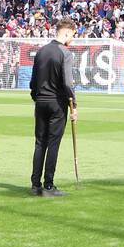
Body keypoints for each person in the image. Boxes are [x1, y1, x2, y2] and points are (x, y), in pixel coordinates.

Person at [28, 19, 79, 197]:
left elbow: (33, 82)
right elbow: (67, 83)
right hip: (57, 103)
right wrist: (74, 106)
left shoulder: (41, 51)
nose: (73, 39)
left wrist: (37, 98)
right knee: (53, 144)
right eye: (73, 35)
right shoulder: (65, 53)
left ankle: (35, 185)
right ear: (66, 32)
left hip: (41, 101)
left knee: (39, 143)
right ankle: (48, 186)